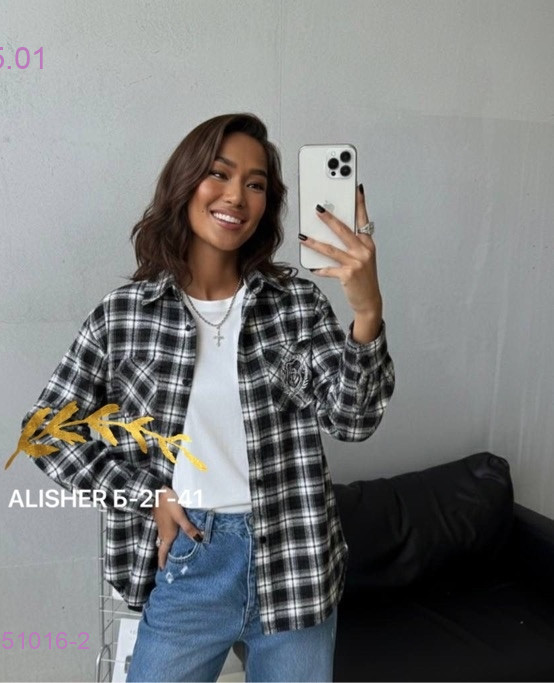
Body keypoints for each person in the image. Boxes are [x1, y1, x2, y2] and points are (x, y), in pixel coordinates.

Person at [20, 112, 395, 682]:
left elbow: (353, 420)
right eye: (219, 174)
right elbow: (45, 433)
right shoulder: (126, 316)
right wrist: (146, 495)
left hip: (295, 557)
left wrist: (367, 313)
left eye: (255, 184)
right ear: (186, 182)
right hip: (190, 558)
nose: (236, 196)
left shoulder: (295, 304)